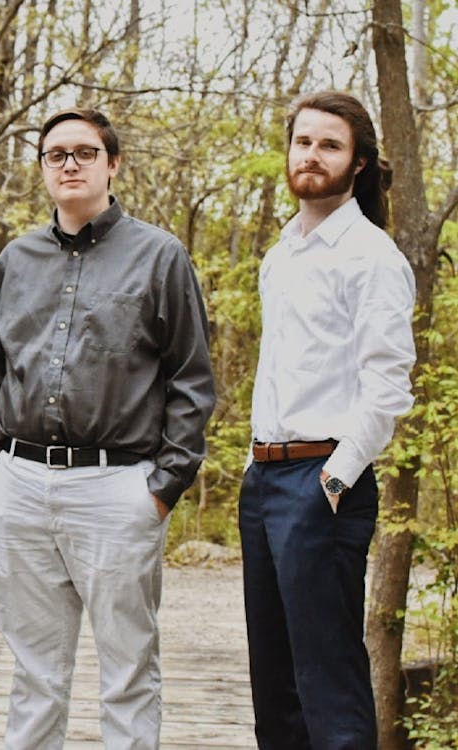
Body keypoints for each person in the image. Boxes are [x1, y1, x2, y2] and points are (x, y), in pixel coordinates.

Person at [0, 108, 216, 749]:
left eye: (84, 152)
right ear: (44, 168)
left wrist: (162, 486)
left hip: (118, 488)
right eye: (56, 154)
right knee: (34, 671)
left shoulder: (161, 257)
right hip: (16, 485)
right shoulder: (15, 260)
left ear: (113, 163)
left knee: (128, 671)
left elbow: (191, 379)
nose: (69, 164)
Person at [240, 90, 416, 749]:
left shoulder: (372, 257)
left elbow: (387, 386)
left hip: (323, 481)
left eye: (330, 145)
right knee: (276, 685)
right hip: (265, 480)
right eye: (304, 141)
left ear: (359, 164)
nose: (312, 155)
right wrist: (252, 464)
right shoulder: (282, 254)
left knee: (328, 682)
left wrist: (336, 478)